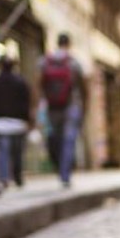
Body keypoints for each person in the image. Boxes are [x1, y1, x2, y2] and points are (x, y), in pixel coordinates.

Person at [38, 33, 85, 187]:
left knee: (55, 138)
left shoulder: (45, 61)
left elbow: (38, 83)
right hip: (71, 106)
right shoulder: (74, 62)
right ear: (69, 44)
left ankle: (59, 168)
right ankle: (65, 174)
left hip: (52, 107)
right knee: (68, 140)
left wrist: (37, 105)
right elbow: (83, 87)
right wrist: (84, 107)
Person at [0, 57, 33, 189]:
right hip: (18, 123)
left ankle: (4, 178)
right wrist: (28, 120)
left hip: (0, 122)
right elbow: (26, 102)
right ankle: (18, 176)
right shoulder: (20, 81)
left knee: (3, 151)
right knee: (17, 152)